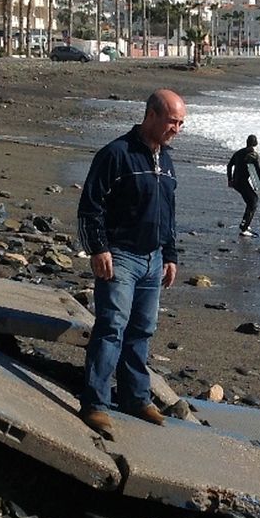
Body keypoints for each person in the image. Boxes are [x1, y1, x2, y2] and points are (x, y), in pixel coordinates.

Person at [75, 89, 186, 437]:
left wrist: (170, 255)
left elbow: (168, 214)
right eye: (172, 121)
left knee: (142, 330)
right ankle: (94, 403)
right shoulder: (116, 154)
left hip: (154, 259)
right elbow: (90, 206)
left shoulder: (166, 160)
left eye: (181, 123)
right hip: (120, 256)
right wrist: (98, 249)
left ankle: (135, 398)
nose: (176, 129)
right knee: (112, 327)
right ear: (150, 115)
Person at [226, 134, 260, 237]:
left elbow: (229, 165)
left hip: (236, 182)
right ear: (255, 144)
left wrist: (230, 179)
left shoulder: (239, 152)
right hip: (241, 183)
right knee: (253, 202)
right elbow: (259, 172)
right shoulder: (253, 155)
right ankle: (244, 228)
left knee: (250, 201)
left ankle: (245, 223)